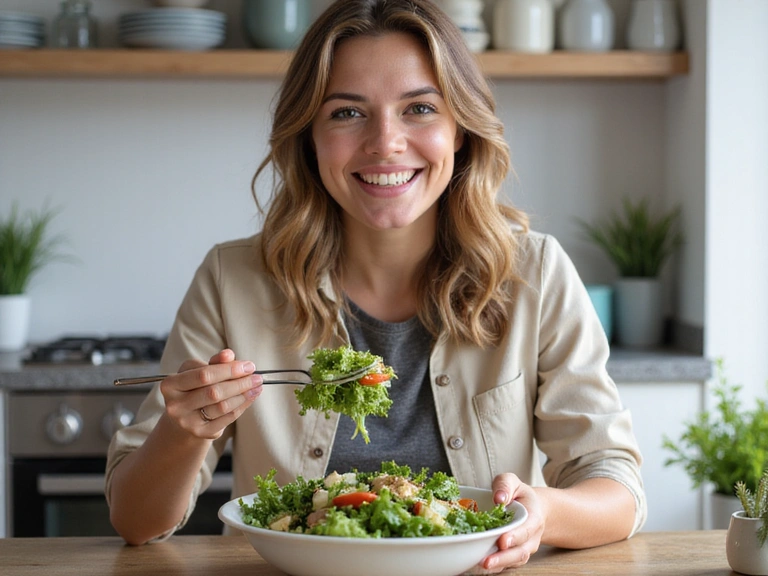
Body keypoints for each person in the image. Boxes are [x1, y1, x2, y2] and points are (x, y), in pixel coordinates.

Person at [106, 0, 646, 571]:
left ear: (459, 129)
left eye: (419, 108)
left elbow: (617, 488)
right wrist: (183, 429)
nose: (385, 142)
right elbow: (136, 523)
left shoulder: (535, 273)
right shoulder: (231, 280)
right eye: (346, 113)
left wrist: (542, 512)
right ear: (309, 137)